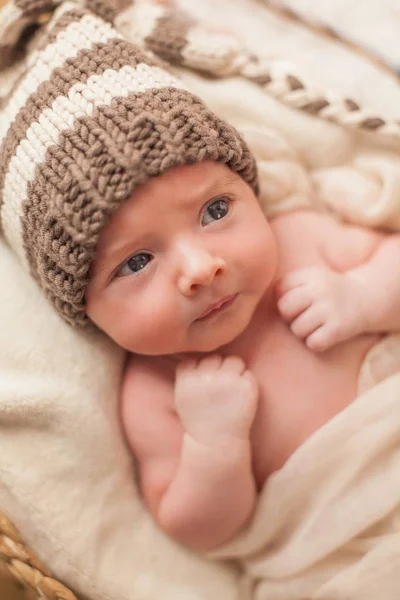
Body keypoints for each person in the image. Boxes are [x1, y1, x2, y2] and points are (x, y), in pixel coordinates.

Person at [2, 0, 400, 556]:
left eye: (215, 211)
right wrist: (214, 445)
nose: (199, 268)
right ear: (82, 309)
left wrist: (366, 296)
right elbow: (199, 529)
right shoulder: (156, 394)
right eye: (136, 263)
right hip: (346, 543)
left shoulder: (302, 241)